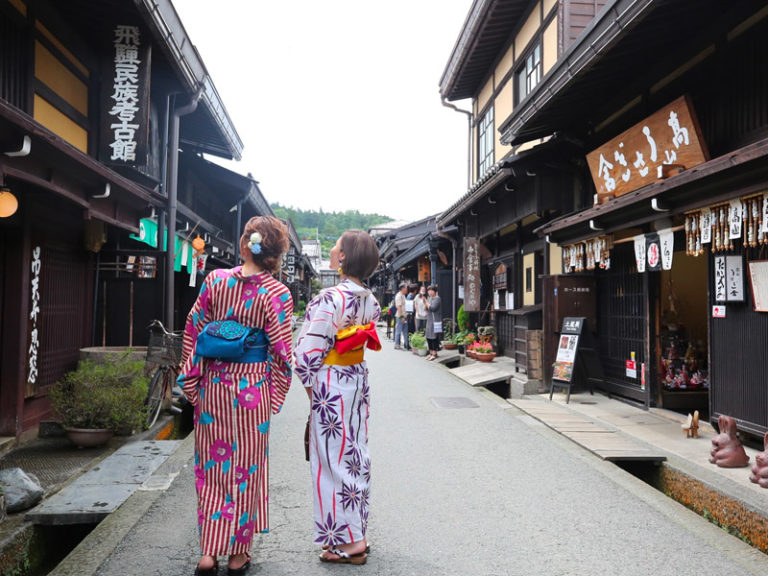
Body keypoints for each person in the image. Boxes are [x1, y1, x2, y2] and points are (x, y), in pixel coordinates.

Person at [177, 216, 294, 576]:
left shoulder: (215, 280)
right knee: (246, 469)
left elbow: (194, 330)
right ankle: (238, 555)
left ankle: (208, 553)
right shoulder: (277, 294)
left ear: (245, 244)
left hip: (213, 383)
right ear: (276, 254)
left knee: (212, 469)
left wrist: (192, 382)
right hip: (252, 389)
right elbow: (282, 353)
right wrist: (273, 395)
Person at [294, 229, 381, 565]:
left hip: (330, 384)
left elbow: (305, 355)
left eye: (336, 247)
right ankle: (356, 530)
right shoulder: (369, 300)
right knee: (355, 455)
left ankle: (349, 542)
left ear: (343, 257)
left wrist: (312, 393)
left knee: (332, 462)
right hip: (356, 380)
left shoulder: (329, 299)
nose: (332, 250)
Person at [425, 284, 443, 361]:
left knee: (434, 337)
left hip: (435, 320)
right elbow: (426, 308)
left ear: (435, 291)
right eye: (428, 290)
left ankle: (435, 353)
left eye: (431, 290)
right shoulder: (429, 298)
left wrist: (427, 304)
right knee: (428, 336)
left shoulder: (437, 299)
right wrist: (426, 305)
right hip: (429, 319)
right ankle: (431, 352)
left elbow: (433, 308)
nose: (429, 292)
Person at [393, 282, 409, 350]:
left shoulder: (403, 295)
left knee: (405, 330)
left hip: (404, 315)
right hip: (400, 316)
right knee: (399, 331)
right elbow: (399, 307)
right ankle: (397, 344)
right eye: (406, 288)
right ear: (402, 288)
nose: (407, 289)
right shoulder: (399, 296)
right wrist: (401, 317)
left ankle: (406, 344)